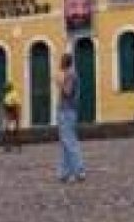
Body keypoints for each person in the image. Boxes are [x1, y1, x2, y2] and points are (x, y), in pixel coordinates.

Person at [56, 52, 86, 183]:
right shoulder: (72, 74)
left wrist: (59, 82)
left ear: (64, 62)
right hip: (69, 110)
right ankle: (64, 172)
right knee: (66, 142)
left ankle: (78, 171)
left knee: (69, 142)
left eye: (61, 61)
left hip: (66, 110)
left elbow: (67, 92)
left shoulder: (69, 75)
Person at [1, 81, 22, 152]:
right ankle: (8, 146)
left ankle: (18, 146)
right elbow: (4, 104)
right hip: (8, 112)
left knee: (14, 131)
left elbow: (17, 105)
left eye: (6, 87)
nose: (5, 88)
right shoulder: (7, 95)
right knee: (7, 130)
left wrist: (17, 115)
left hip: (13, 112)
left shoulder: (14, 94)